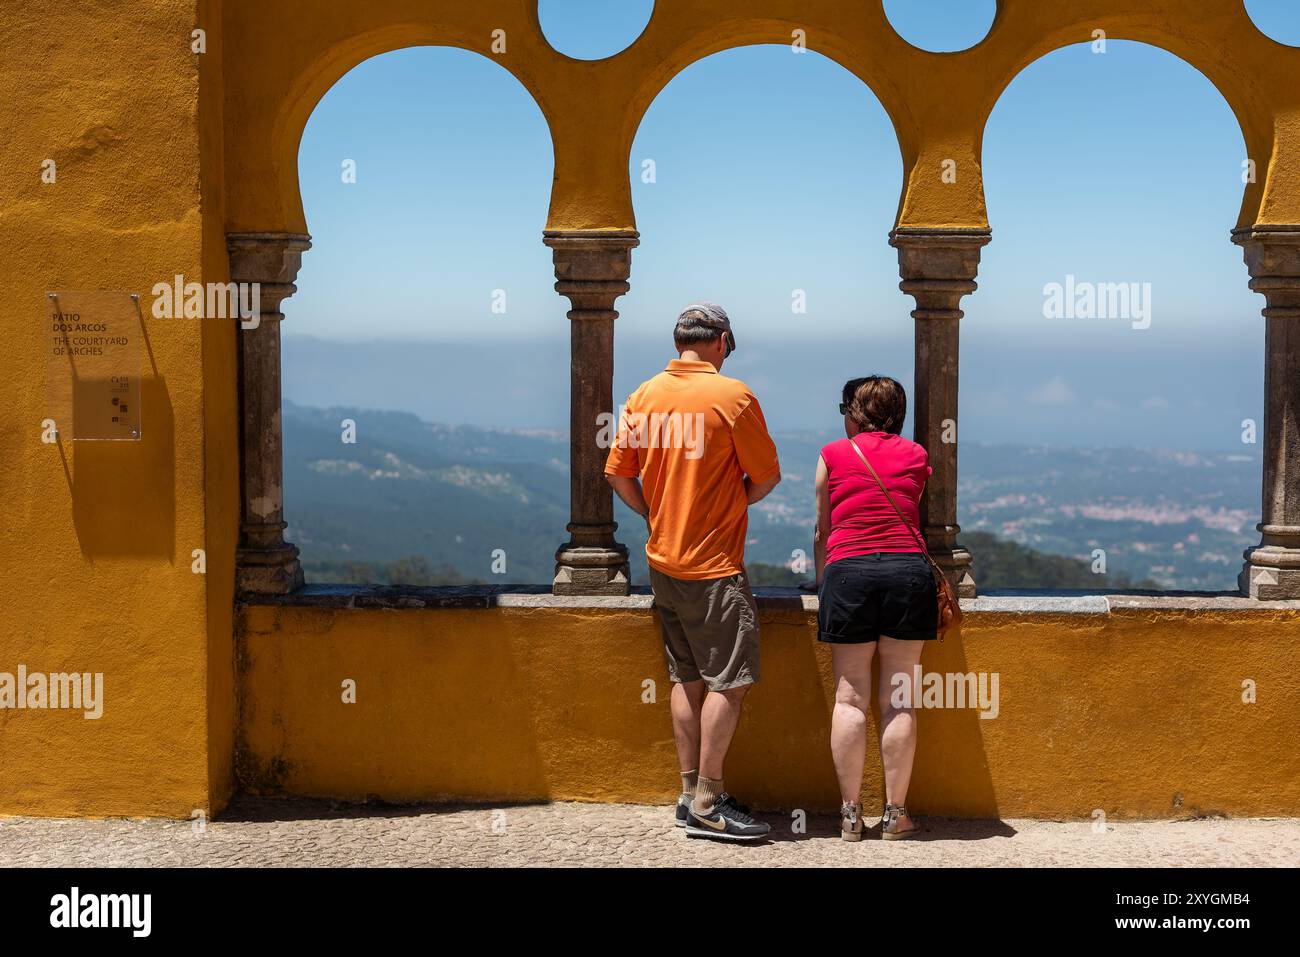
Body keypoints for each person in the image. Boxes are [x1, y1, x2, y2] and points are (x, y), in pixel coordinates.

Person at [605, 302, 781, 842]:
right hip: (713, 565)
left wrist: (657, 514)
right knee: (729, 681)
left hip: (664, 561)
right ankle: (708, 800)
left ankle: (688, 793)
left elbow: (617, 474)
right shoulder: (733, 397)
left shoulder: (644, 394)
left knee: (687, 677)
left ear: (679, 340)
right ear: (722, 341)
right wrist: (732, 505)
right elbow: (767, 477)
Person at [813, 376, 937, 841]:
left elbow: (824, 529)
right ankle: (896, 814)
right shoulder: (917, 456)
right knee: (898, 700)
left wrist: (825, 581)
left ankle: (849, 815)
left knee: (850, 698)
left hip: (849, 575)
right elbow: (911, 511)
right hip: (907, 573)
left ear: (854, 412)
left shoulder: (833, 454)